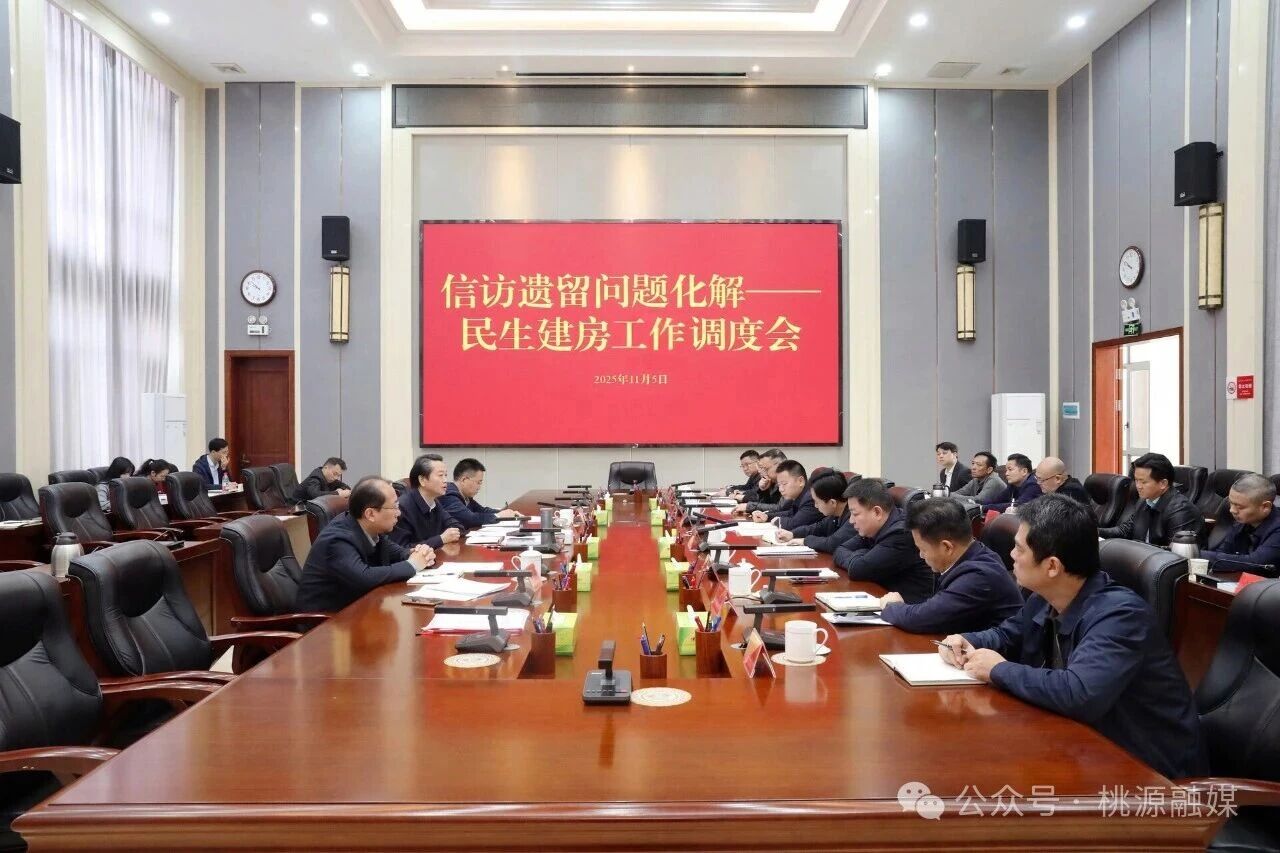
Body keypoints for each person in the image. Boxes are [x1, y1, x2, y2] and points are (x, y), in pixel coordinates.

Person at [939, 495, 1207, 780]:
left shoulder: (1121, 615)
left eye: (1019, 548)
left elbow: (1079, 693)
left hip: (1149, 773)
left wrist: (998, 669)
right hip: (1083, 748)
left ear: (1052, 566)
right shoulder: (1044, 598)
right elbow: (1006, 635)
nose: (1012, 555)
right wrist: (965, 640)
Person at [879, 498, 1023, 634]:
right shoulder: (972, 552)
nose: (921, 556)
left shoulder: (979, 576)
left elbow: (921, 618)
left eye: (923, 550)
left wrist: (892, 606)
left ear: (947, 547)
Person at [297, 477, 435, 613]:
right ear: (370, 514)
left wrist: (419, 554)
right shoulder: (337, 539)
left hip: (357, 610)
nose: (398, 513)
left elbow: (398, 553)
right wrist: (413, 564)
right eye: (394, 507)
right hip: (326, 621)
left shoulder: (370, 529)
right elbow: (364, 577)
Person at [832, 479, 934, 602]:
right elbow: (840, 549)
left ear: (877, 512)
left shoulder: (901, 534)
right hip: (881, 596)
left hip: (907, 607)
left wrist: (861, 555)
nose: (851, 521)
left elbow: (857, 569)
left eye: (855, 514)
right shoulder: (873, 528)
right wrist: (863, 555)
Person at [1098, 452, 1203, 546]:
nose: (1138, 486)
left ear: (1163, 484)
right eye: (1136, 480)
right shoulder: (1144, 501)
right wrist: (1095, 532)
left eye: (1143, 482)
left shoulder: (1181, 511)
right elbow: (1125, 530)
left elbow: (1176, 552)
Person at [1201, 473, 1280, 571]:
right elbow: (1222, 553)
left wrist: (1198, 555)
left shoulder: (1277, 529)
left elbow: (1256, 563)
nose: (1232, 510)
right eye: (1231, 503)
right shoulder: (1242, 523)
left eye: (1240, 507)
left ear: (1265, 507)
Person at [390, 454, 465, 549]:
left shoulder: (434, 502)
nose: (445, 480)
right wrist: (441, 539)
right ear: (422, 480)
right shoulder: (402, 507)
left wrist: (446, 536)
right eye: (440, 475)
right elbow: (402, 549)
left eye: (445, 475)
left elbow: (458, 527)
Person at [775, 472, 858, 553]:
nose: (815, 506)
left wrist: (804, 541)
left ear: (832, 503)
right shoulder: (835, 514)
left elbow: (832, 543)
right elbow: (817, 528)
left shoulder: (854, 517)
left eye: (817, 502)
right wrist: (792, 534)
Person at [440, 458, 520, 528]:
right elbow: (470, 519)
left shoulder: (465, 496)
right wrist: (499, 516)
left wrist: (505, 513)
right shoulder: (448, 495)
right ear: (464, 480)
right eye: (478, 482)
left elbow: (481, 510)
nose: (479, 487)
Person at [750, 460, 822, 531]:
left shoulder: (811, 498)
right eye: (779, 485)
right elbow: (790, 513)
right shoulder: (798, 495)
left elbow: (795, 524)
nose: (781, 489)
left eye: (784, 484)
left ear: (800, 481)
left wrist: (778, 520)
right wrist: (766, 516)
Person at [736, 448, 785, 513]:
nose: (760, 471)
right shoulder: (772, 481)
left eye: (764, 468)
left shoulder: (788, 482)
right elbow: (767, 503)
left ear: (779, 467)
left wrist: (749, 506)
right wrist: (764, 490)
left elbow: (781, 508)